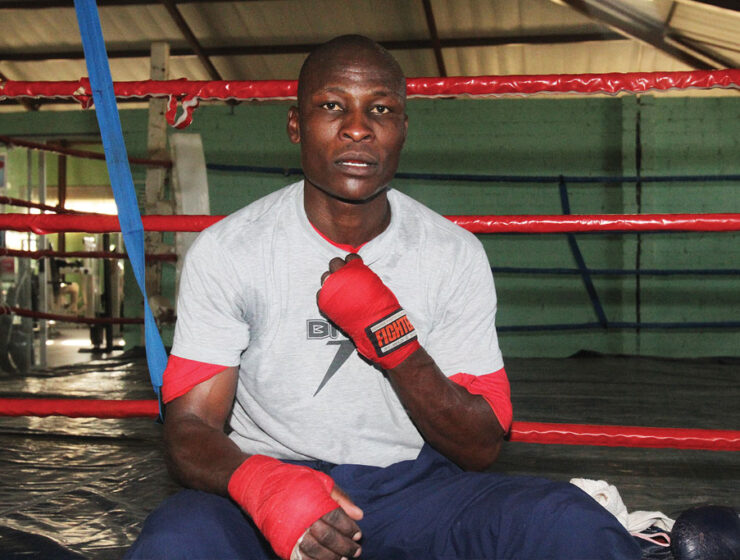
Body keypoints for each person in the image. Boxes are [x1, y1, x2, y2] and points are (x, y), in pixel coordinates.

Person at [126, 35, 641, 560]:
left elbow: (480, 444)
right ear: (295, 125)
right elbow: (190, 429)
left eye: (381, 109)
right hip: (267, 482)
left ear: (403, 130)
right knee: (176, 543)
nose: (358, 128)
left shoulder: (452, 253)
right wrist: (265, 486)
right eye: (332, 106)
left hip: (414, 491)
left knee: (569, 523)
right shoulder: (230, 249)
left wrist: (391, 336)